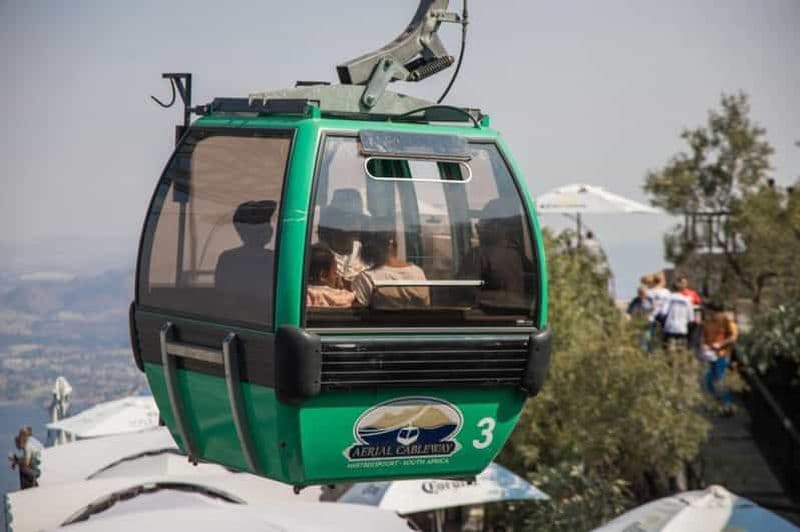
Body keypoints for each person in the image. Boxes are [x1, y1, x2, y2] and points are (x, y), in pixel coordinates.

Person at [215, 200, 277, 319]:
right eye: (263, 225)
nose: (270, 229)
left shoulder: (228, 258)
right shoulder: (229, 259)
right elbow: (226, 297)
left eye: (268, 223)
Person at [352, 217, 429, 309]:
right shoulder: (418, 272)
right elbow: (426, 306)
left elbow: (356, 317)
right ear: (393, 242)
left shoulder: (366, 278)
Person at [317, 190, 368, 287]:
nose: (356, 223)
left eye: (358, 218)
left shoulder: (366, 254)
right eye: (350, 218)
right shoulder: (319, 255)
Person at [702, 302, 738, 413]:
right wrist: (704, 345)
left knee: (720, 379)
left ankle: (727, 404)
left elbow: (733, 337)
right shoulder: (707, 322)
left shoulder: (727, 322)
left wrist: (721, 344)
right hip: (710, 355)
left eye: (709, 311)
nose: (707, 313)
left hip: (722, 355)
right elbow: (703, 336)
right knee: (708, 380)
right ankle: (713, 403)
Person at [305, 244, 356, 308]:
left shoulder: (302, 294)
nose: (337, 277)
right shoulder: (332, 295)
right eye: (335, 273)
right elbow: (354, 298)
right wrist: (345, 288)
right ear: (323, 275)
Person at [658, 281, 694, 350]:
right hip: (682, 328)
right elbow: (691, 317)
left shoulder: (669, 298)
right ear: (682, 289)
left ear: (672, 288)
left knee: (670, 349)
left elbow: (663, 312)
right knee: (681, 349)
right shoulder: (687, 300)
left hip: (670, 327)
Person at [676, 273, 703, 350]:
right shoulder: (676, 295)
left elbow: (699, 306)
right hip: (681, 322)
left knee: (693, 341)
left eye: (685, 282)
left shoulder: (692, 293)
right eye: (682, 283)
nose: (684, 284)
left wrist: (698, 319)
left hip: (693, 321)